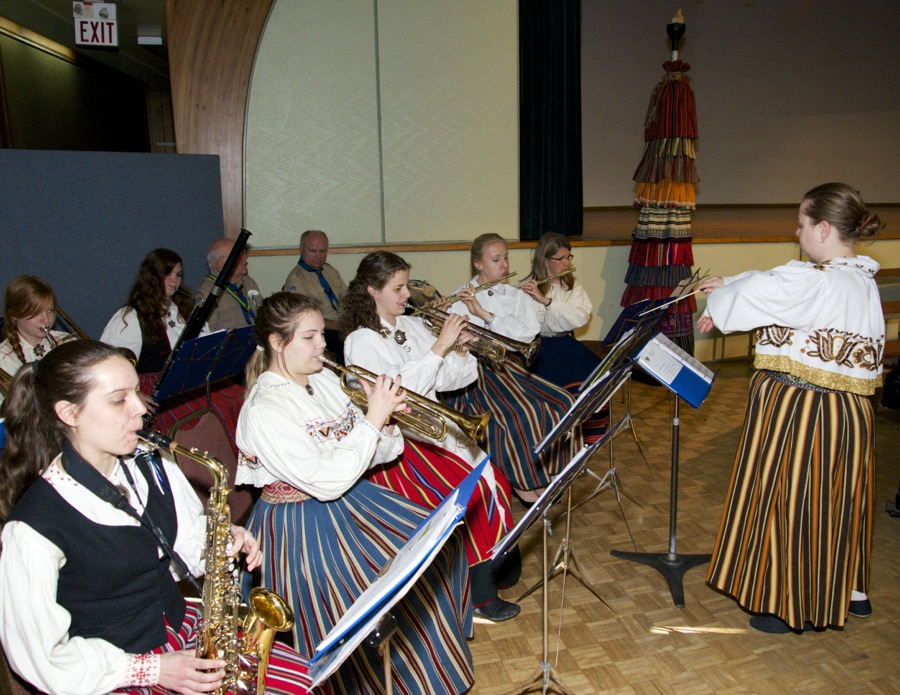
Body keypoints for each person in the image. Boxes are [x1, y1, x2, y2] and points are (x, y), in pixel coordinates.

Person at [0, 340, 311, 695]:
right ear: (69, 414)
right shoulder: (32, 527)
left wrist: (222, 540)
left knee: (301, 678)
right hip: (112, 670)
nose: (139, 409)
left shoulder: (149, 462)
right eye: (119, 400)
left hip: (177, 629)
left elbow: (182, 543)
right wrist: (152, 669)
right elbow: (42, 658)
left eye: (136, 392)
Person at [236, 292, 474, 694]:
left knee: (439, 547)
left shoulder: (323, 379)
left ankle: (432, 673)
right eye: (309, 337)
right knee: (370, 604)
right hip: (300, 526)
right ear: (277, 342)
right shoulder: (264, 409)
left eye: (321, 334)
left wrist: (387, 422)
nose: (322, 344)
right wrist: (374, 419)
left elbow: (371, 454)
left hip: (348, 499)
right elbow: (326, 481)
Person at [698, 183, 885, 634]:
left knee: (795, 501)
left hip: (807, 411)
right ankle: (850, 590)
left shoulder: (818, 281)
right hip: (850, 414)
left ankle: (789, 605)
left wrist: (721, 300)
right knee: (840, 502)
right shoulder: (858, 276)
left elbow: (775, 287)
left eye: (801, 224)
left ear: (823, 229)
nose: (796, 233)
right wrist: (732, 283)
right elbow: (777, 280)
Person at [342, 252, 522, 622]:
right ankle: (478, 597)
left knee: (496, 480)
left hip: (435, 428)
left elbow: (448, 380)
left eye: (406, 285)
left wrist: (460, 351)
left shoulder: (411, 325)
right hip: (401, 441)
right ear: (372, 290)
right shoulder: (362, 341)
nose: (407, 294)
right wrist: (440, 346)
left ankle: (493, 567)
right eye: (398, 288)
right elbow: (398, 394)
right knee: (472, 493)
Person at [444, 233, 584, 504]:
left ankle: (551, 473)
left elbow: (526, 334)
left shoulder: (515, 295)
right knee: (523, 413)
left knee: (563, 402)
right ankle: (525, 482)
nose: (505, 265)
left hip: (509, 366)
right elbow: (452, 344)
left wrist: (485, 314)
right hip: (475, 373)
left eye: (506, 258)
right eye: (496, 260)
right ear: (478, 264)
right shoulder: (459, 298)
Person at [100, 248, 243, 452]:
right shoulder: (131, 316)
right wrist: (133, 393)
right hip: (156, 388)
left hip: (187, 381)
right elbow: (109, 363)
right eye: (168, 274)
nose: (174, 280)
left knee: (238, 398)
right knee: (211, 413)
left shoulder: (183, 310)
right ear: (152, 277)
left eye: (178, 274)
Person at [518, 233, 600, 389]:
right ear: (545, 261)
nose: (567, 263)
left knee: (595, 373)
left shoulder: (573, 287)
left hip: (563, 343)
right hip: (537, 347)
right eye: (561, 259)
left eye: (569, 257)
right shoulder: (527, 286)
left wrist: (546, 301)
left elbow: (580, 315)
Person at [1, 276, 68, 406]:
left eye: (50, 310)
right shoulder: (4, 360)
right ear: (14, 314)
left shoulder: (68, 341)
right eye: (35, 312)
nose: (46, 320)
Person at [283, 230, 348, 361]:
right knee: (345, 345)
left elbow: (347, 298)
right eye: (312, 251)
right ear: (302, 250)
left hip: (342, 324)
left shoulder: (330, 270)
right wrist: (337, 325)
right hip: (322, 330)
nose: (318, 256)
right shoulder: (297, 279)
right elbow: (302, 317)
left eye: (322, 251)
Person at [194, 238, 261, 330]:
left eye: (243, 253)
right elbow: (207, 332)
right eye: (238, 255)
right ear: (219, 264)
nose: (245, 257)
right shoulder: (208, 292)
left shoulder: (248, 282)